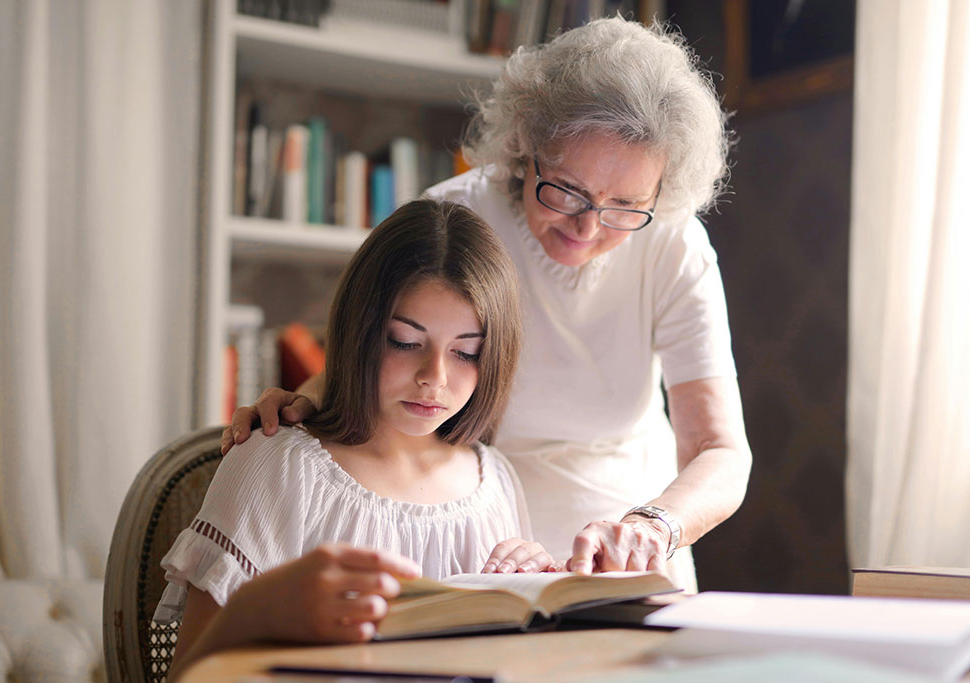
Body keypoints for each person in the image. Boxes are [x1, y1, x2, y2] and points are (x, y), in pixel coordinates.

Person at [224, 17, 752, 592]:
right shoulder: (455, 220)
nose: (587, 226)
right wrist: (301, 404)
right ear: (526, 149)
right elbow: (389, 354)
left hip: (630, 553)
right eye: (568, 190)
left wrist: (655, 526)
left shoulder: (672, 244)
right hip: (482, 540)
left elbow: (719, 450)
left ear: (660, 194)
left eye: (625, 206)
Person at [157, 200, 552, 678]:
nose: (435, 377)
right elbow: (189, 672)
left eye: (467, 352)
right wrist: (263, 605)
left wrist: (536, 594)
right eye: (405, 342)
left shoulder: (495, 481)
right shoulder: (278, 467)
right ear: (361, 330)